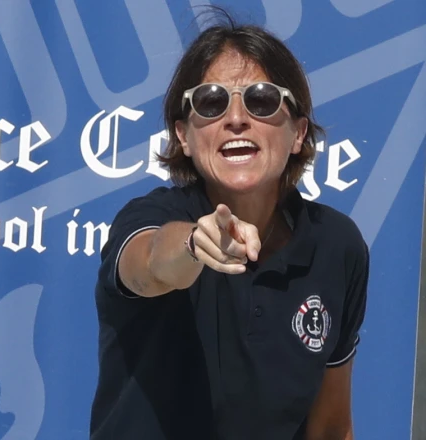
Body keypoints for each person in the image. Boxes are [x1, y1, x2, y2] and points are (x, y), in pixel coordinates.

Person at [90, 12, 369, 440]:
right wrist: (194, 246)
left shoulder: (337, 244)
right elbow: (150, 263)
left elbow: (331, 427)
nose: (236, 118)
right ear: (183, 136)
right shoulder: (149, 217)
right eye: (210, 101)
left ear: (298, 133)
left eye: (261, 100)